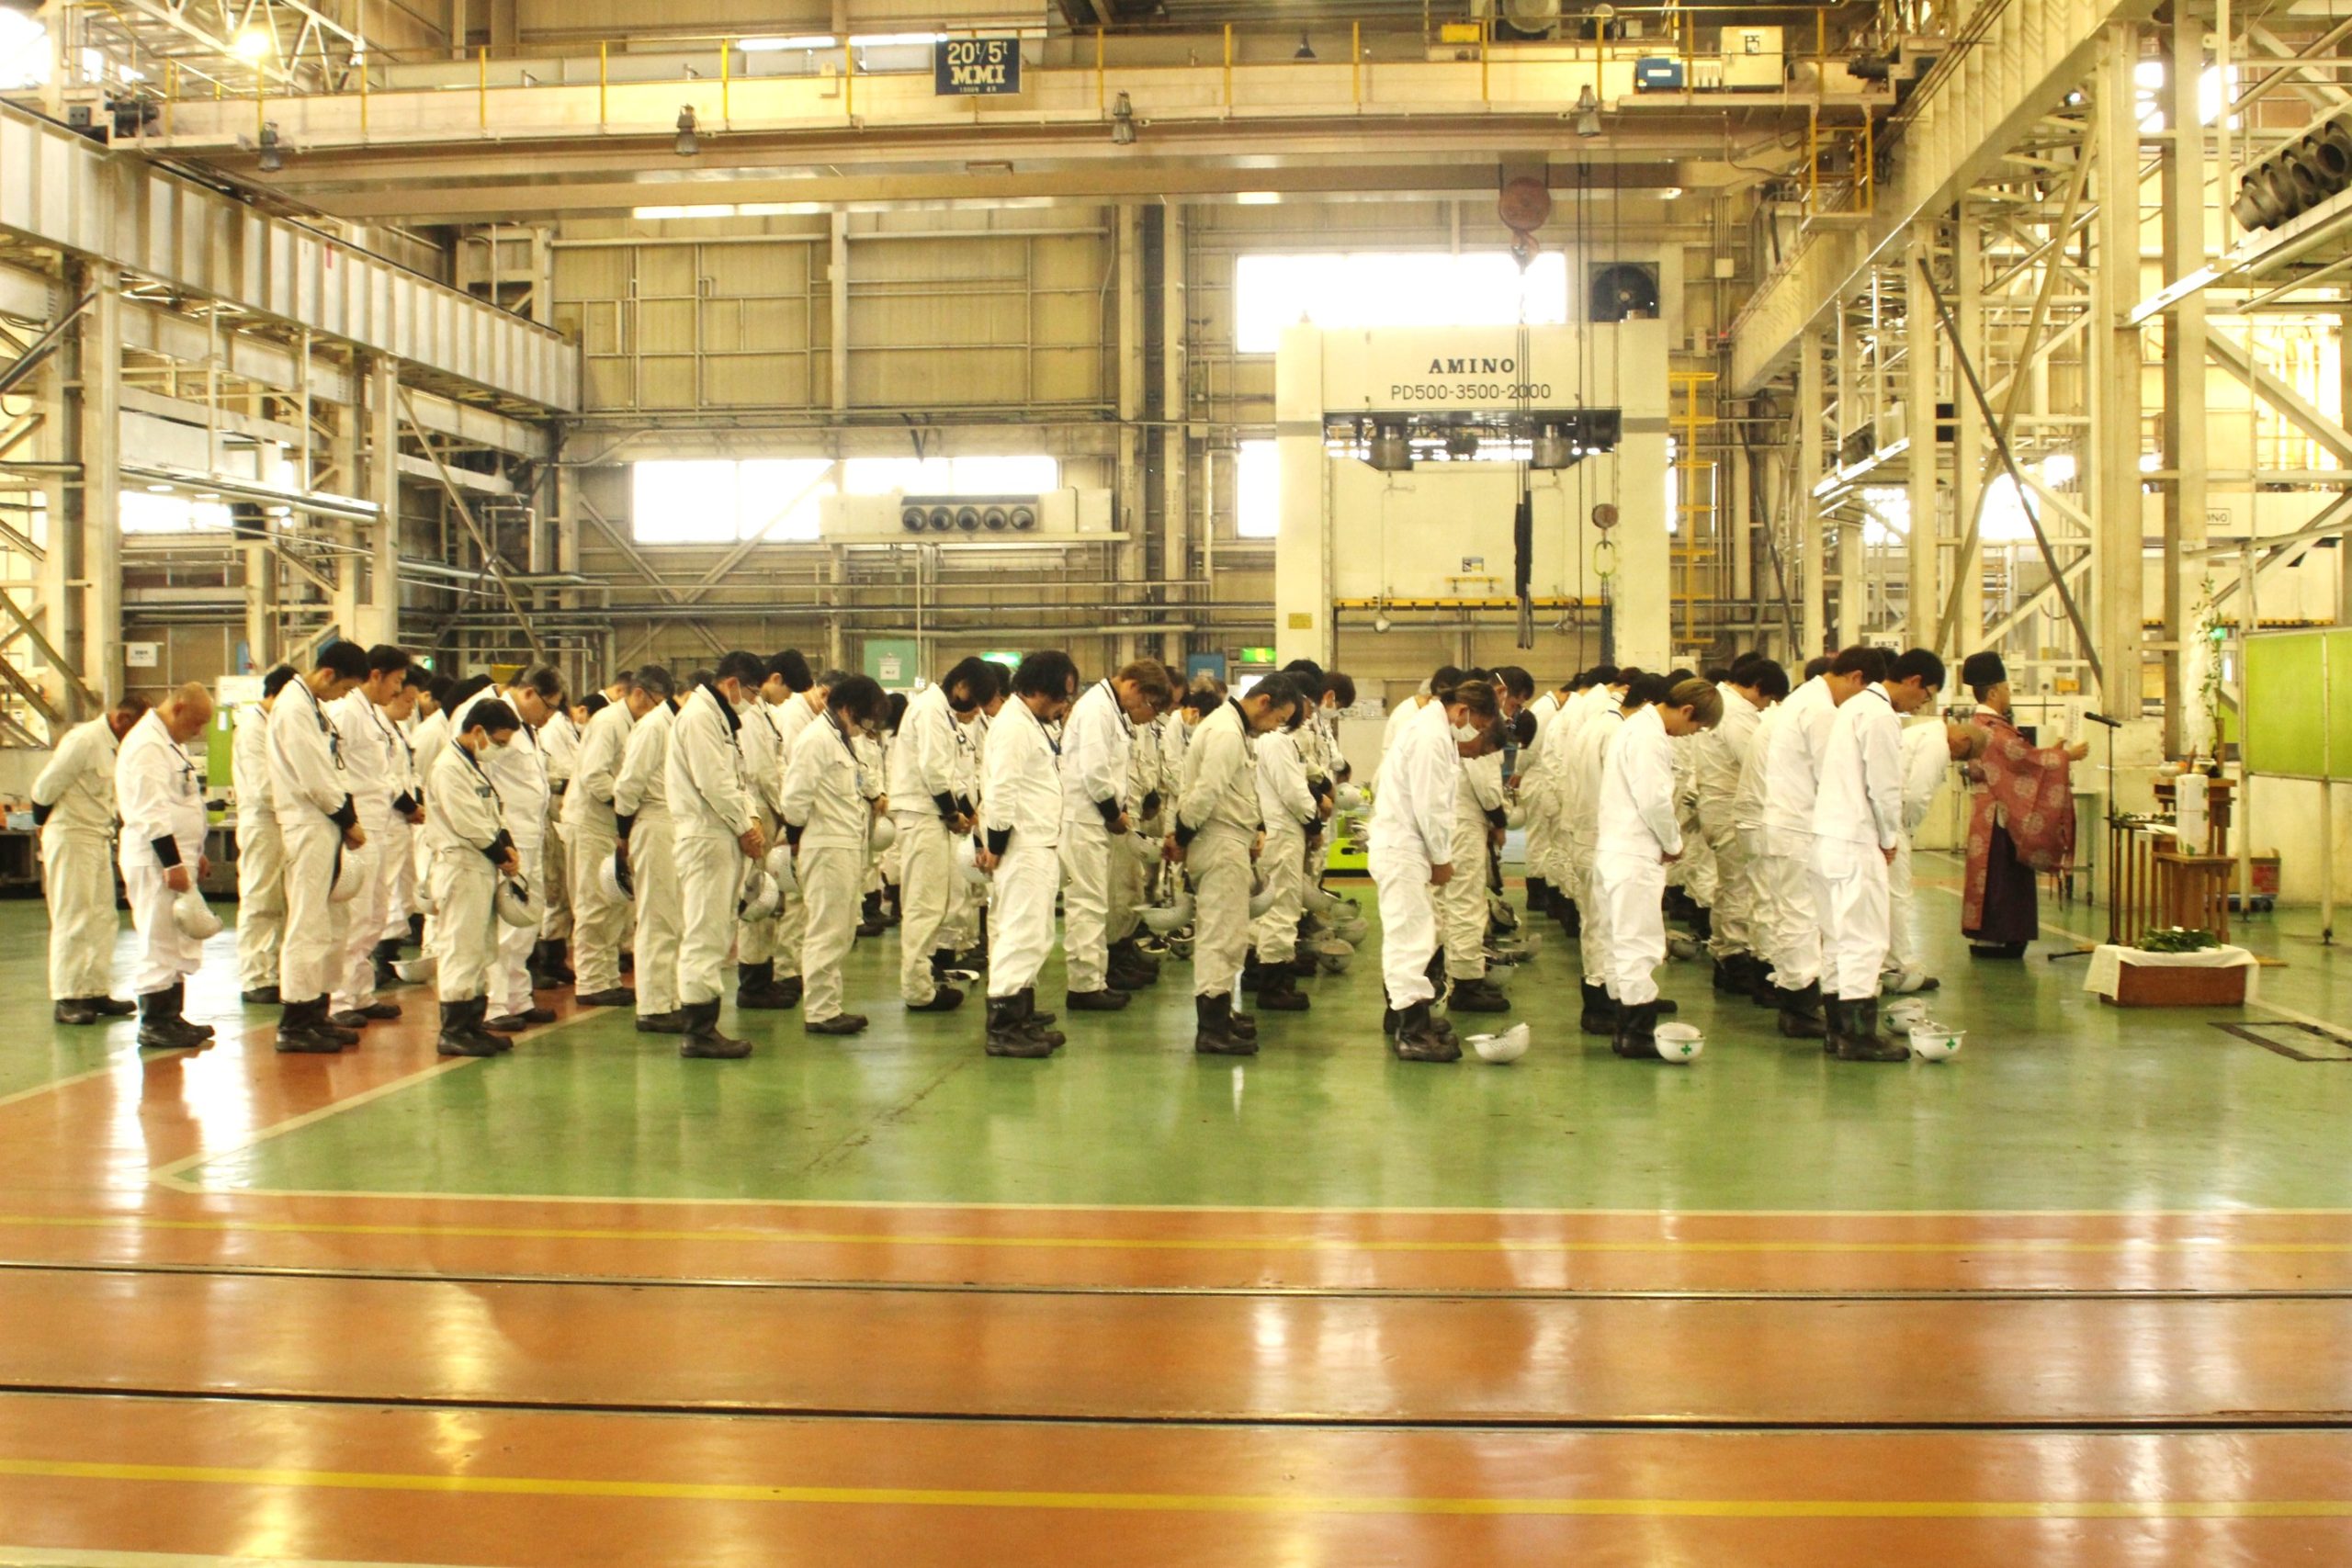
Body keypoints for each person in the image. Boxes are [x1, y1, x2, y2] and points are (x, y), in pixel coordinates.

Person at [1813, 648, 1946, 1061]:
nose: (1921, 705)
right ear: (1913, 681)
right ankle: (1858, 1036)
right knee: (1864, 940)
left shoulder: (1851, 708)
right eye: (1925, 696)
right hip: (1857, 840)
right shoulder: (1880, 716)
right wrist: (1889, 837)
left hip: (1827, 838)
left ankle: (1837, 1030)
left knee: (1836, 938)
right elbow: (1885, 788)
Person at [1370, 676, 1501, 1062]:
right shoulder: (1431, 737)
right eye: (1479, 726)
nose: (1476, 735)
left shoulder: (1433, 731)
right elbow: (1431, 807)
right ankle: (1412, 1033)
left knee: (1416, 934)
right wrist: (1442, 858)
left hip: (1407, 846)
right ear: (1463, 711)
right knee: (1410, 940)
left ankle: (1407, 1018)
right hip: (1403, 848)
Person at [1752, 649, 1882, 1039]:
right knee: (1801, 918)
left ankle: (1799, 999)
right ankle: (1800, 1006)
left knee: (1794, 916)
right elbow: (1835, 775)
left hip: (1788, 823)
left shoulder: (1805, 699)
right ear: (1855, 678)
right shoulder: (1821, 711)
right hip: (1799, 826)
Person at [1593, 678, 1724, 1059]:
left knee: (1620, 943)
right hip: (1634, 854)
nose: (1691, 735)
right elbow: (1654, 801)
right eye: (1696, 727)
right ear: (1687, 710)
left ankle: (1624, 1027)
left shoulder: (1635, 726)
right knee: (1639, 944)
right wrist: (1673, 843)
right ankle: (1636, 1033)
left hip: (1616, 850)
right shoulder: (1649, 737)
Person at [1172, 675, 1299, 1055]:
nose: (1275, 727)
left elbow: (1234, 789)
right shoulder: (1227, 732)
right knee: (1221, 937)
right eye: (1278, 718)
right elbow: (1205, 793)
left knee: (1229, 934)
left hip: (1229, 839)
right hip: (1218, 843)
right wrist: (1181, 838)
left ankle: (1221, 1013)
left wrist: (1255, 827)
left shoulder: (1234, 730)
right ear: (1264, 702)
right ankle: (1212, 1028)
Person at [268, 642, 371, 1051]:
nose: (343, 697)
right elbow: (314, 777)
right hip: (307, 824)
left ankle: (317, 1012)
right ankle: (294, 1023)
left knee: (332, 924)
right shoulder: (293, 708)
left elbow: (332, 771)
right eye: (344, 688)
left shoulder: (313, 706)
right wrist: (348, 820)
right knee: (307, 924)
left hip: (324, 823)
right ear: (328, 674)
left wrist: (344, 817)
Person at [668, 651, 768, 1059]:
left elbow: (737, 781)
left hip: (720, 834)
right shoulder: (699, 718)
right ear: (731, 684)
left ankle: (705, 1024)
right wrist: (745, 827)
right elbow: (713, 782)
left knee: (717, 932)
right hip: (705, 836)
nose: (754, 702)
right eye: (753, 693)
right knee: (704, 934)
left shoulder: (720, 719)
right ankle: (698, 1031)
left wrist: (752, 819)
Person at [1059, 659, 1175, 1012]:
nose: (1146, 712)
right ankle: (1084, 986)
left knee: (1098, 903)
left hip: (1097, 820)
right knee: (1087, 903)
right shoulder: (1097, 709)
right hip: (1085, 820)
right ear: (1134, 687)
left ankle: (1096, 978)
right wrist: (1113, 814)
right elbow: (1095, 773)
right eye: (1149, 705)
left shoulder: (1110, 709)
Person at [979, 651, 1078, 1058]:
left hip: (1039, 842)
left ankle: (1020, 1015)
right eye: (1061, 696)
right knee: (1020, 935)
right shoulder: (1015, 727)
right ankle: (1004, 1028)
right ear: (1038, 689)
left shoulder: (1031, 723)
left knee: (1035, 935)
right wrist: (996, 844)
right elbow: (1001, 790)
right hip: (1022, 846)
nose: (1064, 705)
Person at [453, 668, 561, 1032]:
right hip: (506, 836)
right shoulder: (488, 716)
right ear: (529, 693)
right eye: (548, 706)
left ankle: (518, 997)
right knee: (505, 925)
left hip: (530, 833)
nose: (549, 716)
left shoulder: (524, 725)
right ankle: (495, 1004)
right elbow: (475, 775)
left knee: (526, 921)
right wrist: (498, 839)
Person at [1959, 650, 2087, 958]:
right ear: (1993, 692)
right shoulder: (1991, 729)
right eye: (2007, 688)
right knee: (2001, 876)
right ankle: (1998, 937)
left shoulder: (1983, 724)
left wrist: (2050, 754)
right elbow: (2023, 760)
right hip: (1998, 815)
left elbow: (2021, 760)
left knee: (1998, 876)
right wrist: (2065, 757)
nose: (2009, 694)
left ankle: (1996, 936)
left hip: (1992, 810)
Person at [783, 674, 889, 1036]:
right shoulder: (816, 740)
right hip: (826, 845)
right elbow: (794, 799)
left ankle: (830, 1005)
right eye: (865, 717)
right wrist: (796, 840)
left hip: (845, 844)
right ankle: (819, 1010)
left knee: (842, 929)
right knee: (827, 929)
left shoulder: (841, 740)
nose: (866, 726)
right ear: (846, 708)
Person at [115, 683, 219, 1050]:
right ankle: (154, 1022)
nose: (199, 731)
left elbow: (183, 802)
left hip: (177, 856)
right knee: (158, 937)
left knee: (177, 938)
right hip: (155, 859)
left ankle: (172, 1017)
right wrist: (173, 861)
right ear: (177, 708)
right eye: (196, 722)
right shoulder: (147, 745)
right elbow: (152, 810)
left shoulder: (170, 743)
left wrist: (196, 852)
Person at [888, 659, 994, 1013]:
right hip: (922, 817)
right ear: (961, 686)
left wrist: (963, 811)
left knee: (935, 904)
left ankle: (926, 979)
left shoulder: (944, 712)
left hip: (931, 817)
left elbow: (952, 773)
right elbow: (933, 771)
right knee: (923, 905)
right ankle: (918, 991)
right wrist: (952, 813)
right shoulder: (930, 709)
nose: (976, 711)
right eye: (975, 701)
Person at [33, 697, 148, 1024]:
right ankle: (68, 996)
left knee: (102, 916)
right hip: (71, 835)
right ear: (122, 719)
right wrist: (49, 830)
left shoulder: (115, 746)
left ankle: (94, 989)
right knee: (73, 916)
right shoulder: (83, 741)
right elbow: (43, 790)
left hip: (97, 837)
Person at [425, 699, 524, 1058]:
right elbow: (468, 822)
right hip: (460, 867)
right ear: (478, 731)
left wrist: (507, 843)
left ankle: (472, 1025)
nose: (500, 750)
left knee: (481, 949)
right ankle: (452, 1031)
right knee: (460, 948)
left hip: (480, 867)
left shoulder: (472, 766)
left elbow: (492, 813)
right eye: (499, 742)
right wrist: (501, 854)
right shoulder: (448, 768)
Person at [325, 645, 413, 1031]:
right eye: (396, 681)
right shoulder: (345, 713)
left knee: (376, 913)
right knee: (355, 914)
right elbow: (333, 769)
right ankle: (339, 999)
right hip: (358, 827)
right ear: (376, 675)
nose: (398, 690)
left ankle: (360, 991)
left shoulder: (374, 715)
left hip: (381, 824)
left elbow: (383, 774)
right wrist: (347, 822)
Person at [566, 669, 662, 1007]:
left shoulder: (638, 725)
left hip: (615, 826)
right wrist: (626, 807)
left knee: (615, 903)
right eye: (657, 703)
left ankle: (608, 977)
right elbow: (594, 775)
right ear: (639, 694)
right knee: (594, 903)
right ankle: (590, 982)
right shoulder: (607, 722)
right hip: (592, 823)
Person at [1694, 657, 1785, 998]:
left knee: (1729, 887)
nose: (1765, 707)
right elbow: (1757, 763)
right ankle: (1736, 961)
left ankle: (1726, 955)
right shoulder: (1736, 714)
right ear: (1758, 687)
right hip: (1731, 810)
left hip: (1718, 807)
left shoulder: (1723, 704)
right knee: (1740, 889)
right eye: (1768, 699)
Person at [1561, 668, 1634, 1035]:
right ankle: (1603, 1004)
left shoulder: (1594, 722)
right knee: (1607, 925)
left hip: (1588, 834)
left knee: (1597, 923)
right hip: (1602, 838)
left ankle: (1607, 998)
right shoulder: (1614, 729)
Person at [612, 665, 683, 1034]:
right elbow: (627, 787)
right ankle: (653, 1006)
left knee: (674, 917)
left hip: (674, 824)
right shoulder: (653, 727)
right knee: (657, 917)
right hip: (652, 822)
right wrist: (623, 835)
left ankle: (671, 999)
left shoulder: (676, 725)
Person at [1890, 721, 1984, 995]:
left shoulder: (1922, 733)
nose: (1954, 758)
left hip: (1883, 818)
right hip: (1894, 822)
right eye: (1960, 755)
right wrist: (1908, 828)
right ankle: (1899, 966)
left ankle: (1887, 963)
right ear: (1962, 738)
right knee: (1897, 895)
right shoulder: (1936, 744)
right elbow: (1917, 794)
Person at [1248, 693, 1321, 1012]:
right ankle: (1274, 986)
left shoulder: (1265, 738)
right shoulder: (1277, 741)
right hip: (1282, 832)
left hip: (1272, 830)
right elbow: (1293, 791)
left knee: (1266, 907)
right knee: (1282, 906)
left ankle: (1259, 972)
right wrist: (1314, 824)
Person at [1437, 703, 1512, 1015]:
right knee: (1467, 902)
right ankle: (1466, 982)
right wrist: (1500, 823)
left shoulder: (1438, 730)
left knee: (1448, 903)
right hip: (1465, 823)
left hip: (1452, 820)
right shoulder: (1478, 733)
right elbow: (1488, 790)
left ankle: (1452, 975)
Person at [731, 653, 797, 1010]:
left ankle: (763, 977)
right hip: (759, 812)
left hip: (770, 810)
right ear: (774, 679)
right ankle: (752, 985)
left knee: (770, 899)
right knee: (758, 898)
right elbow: (761, 771)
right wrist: (785, 813)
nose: (788, 699)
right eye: (788, 690)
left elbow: (780, 762)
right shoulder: (750, 714)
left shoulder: (766, 713)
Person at [763, 655, 830, 1007]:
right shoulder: (791, 715)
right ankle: (785, 969)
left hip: (789, 814)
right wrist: (792, 826)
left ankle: (790, 967)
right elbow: (790, 773)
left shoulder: (804, 715)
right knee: (790, 898)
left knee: (797, 899)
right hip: (784, 816)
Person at [232, 667, 295, 1005]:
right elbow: (262, 787)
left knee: (283, 902)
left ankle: (276, 971)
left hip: (285, 821)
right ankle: (256, 977)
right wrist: (302, 797)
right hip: (262, 822)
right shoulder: (251, 729)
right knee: (261, 900)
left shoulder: (277, 724)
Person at [535, 682, 582, 988]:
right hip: (548, 817)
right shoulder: (550, 730)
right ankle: (542, 959)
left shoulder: (562, 726)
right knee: (549, 892)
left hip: (559, 818)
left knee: (560, 892)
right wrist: (565, 782)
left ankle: (555, 957)